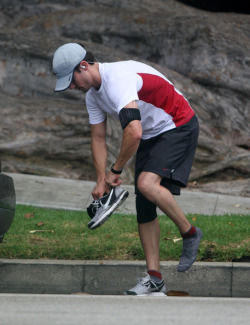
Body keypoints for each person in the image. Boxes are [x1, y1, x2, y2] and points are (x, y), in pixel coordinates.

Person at [52, 43, 203, 296]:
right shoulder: (93, 96)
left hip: (178, 123)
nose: (70, 86)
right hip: (153, 132)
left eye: (71, 79)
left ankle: (190, 233)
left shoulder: (118, 80)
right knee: (144, 206)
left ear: (84, 66)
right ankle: (154, 278)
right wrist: (101, 180)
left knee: (146, 184)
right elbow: (98, 139)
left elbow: (134, 132)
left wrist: (115, 170)